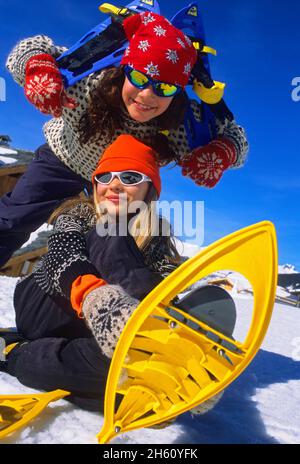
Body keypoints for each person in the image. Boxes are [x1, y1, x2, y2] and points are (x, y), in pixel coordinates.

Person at [0, 11, 249, 269]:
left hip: (123, 186)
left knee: (123, 246)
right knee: (15, 218)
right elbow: (28, 48)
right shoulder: (89, 81)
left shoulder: (178, 122)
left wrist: (223, 151)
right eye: (140, 77)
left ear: (177, 91)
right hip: (62, 161)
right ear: (125, 69)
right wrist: (38, 67)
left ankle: (137, 287)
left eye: (165, 88)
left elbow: (235, 135)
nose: (147, 95)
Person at [0, 135, 182, 412]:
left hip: (93, 331)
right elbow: (64, 255)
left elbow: (169, 281)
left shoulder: (158, 238)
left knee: (125, 372)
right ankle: (153, 331)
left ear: (150, 189)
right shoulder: (78, 215)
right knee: (110, 229)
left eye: (130, 177)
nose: (114, 185)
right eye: (105, 177)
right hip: (45, 302)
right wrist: (95, 295)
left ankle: (16, 354)